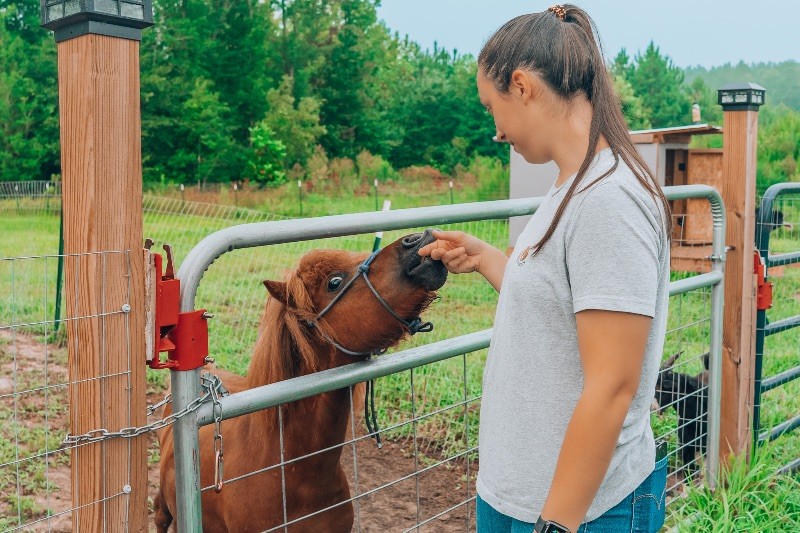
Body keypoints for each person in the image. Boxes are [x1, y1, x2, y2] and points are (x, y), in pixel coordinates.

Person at [418, 5, 671, 533]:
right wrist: (486, 259)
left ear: (522, 86)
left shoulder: (609, 200)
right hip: (522, 495)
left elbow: (612, 385)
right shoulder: (570, 184)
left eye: (492, 107)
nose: (496, 130)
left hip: (580, 512)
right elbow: (562, 303)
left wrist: (556, 523)